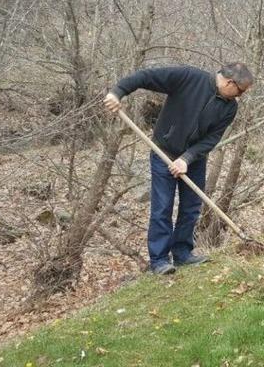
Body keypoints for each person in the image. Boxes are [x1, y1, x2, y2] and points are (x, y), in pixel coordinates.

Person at [103, 62, 254, 275]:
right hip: (163, 152)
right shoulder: (188, 77)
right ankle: (159, 260)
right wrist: (117, 93)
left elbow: (212, 139)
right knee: (162, 207)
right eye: (240, 91)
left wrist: (187, 158)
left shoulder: (230, 107)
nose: (240, 97)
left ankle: (182, 254)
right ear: (230, 82)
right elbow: (145, 76)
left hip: (194, 159)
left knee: (191, 207)